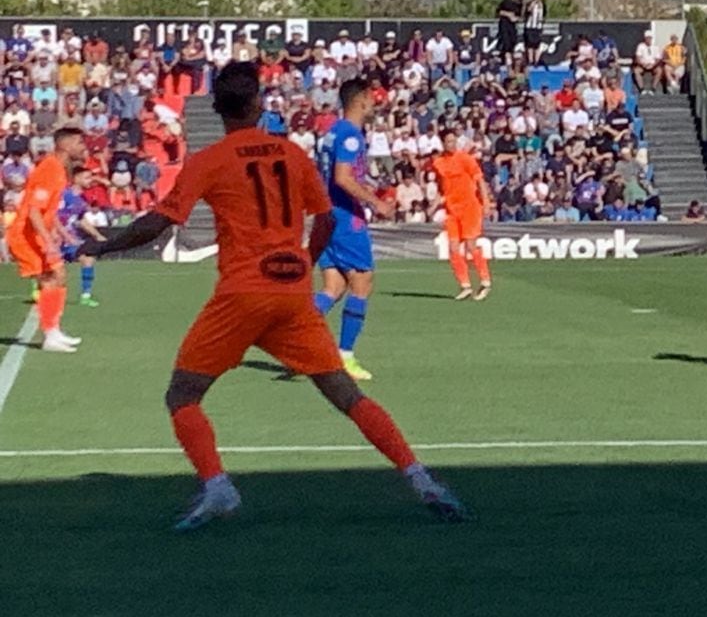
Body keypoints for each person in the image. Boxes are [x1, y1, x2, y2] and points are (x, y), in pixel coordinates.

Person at [80, 62, 468, 532]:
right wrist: (305, 260)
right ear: (259, 105)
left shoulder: (209, 160)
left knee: (183, 393)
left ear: (218, 110)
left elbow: (158, 222)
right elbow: (324, 220)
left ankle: (218, 486)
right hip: (292, 294)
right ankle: (421, 478)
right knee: (346, 394)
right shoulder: (292, 154)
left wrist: (103, 246)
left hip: (242, 294)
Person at [313, 79, 392, 382]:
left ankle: (293, 343)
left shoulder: (331, 133)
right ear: (360, 100)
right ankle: (345, 356)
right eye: (371, 97)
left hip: (327, 215)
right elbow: (343, 178)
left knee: (333, 287)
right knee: (362, 281)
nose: (374, 103)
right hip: (345, 218)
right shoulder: (350, 135)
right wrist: (376, 203)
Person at [8, 128, 87, 350]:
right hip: (26, 236)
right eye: (79, 143)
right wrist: (50, 242)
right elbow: (33, 211)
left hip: (36, 234)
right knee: (52, 277)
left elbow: (47, 211)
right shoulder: (50, 169)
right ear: (66, 144)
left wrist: (62, 234)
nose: (83, 148)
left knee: (57, 276)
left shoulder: (58, 170)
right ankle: (50, 334)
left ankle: (53, 331)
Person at [428, 130, 494, 301]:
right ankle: (465, 285)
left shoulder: (465, 158)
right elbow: (442, 187)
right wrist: (435, 204)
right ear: (443, 143)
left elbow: (479, 180)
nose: (452, 144)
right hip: (452, 209)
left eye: (453, 140)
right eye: (448, 141)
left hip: (469, 207)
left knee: (471, 246)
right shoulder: (439, 163)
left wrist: (486, 202)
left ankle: (485, 280)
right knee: (453, 248)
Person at [58, 183, 105, 308]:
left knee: (88, 259)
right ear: (76, 178)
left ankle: (86, 296)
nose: (90, 181)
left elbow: (81, 220)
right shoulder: (62, 195)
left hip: (71, 241)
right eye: (87, 178)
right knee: (53, 272)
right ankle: (38, 287)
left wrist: (97, 235)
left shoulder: (80, 200)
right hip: (55, 239)